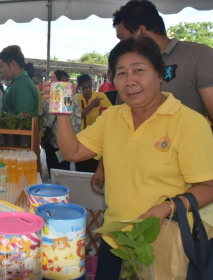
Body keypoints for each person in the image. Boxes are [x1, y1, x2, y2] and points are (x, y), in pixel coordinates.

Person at [55, 36, 213, 279]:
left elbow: (209, 186)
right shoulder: (112, 117)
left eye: (139, 70)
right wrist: (61, 108)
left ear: (160, 73)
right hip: (115, 241)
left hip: (162, 244)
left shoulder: (190, 123)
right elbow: (72, 152)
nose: (130, 81)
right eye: (121, 73)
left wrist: (166, 207)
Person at [92, 0, 213, 189]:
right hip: (130, 178)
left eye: (122, 38)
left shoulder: (198, 56)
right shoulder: (126, 67)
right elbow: (116, 123)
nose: (121, 45)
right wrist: (102, 165)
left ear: (140, 31)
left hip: (181, 179)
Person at [42, 70, 81, 175]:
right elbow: (46, 121)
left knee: (61, 172)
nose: (66, 85)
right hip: (53, 142)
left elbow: (77, 119)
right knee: (55, 171)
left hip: (64, 142)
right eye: (63, 82)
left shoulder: (72, 96)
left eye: (67, 82)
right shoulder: (48, 96)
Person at [75, 74, 112, 172]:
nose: (88, 90)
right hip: (80, 140)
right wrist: (92, 105)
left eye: (90, 87)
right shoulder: (76, 99)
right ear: (79, 88)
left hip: (97, 140)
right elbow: (78, 116)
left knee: (95, 170)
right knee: (81, 171)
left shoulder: (101, 96)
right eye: (84, 88)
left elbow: (111, 115)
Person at [0, 45, 38, 114]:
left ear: (13, 64)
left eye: (2, 66)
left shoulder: (23, 86)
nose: (1, 70)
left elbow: (23, 120)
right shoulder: (17, 82)